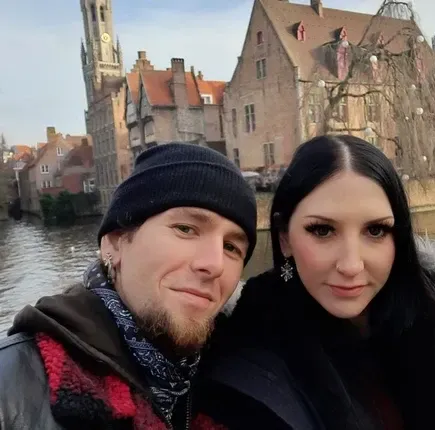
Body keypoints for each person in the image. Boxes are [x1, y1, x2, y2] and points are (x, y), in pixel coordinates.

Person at [195, 135, 435, 430]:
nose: (351, 265)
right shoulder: (244, 362)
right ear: (284, 238)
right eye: (322, 231)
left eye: (375, 231)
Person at [0, 143, 257, 429]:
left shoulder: (239, 380)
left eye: (232, 247)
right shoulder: (12, 388)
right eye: (186, 229)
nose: (215, 264)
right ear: (114, 243)